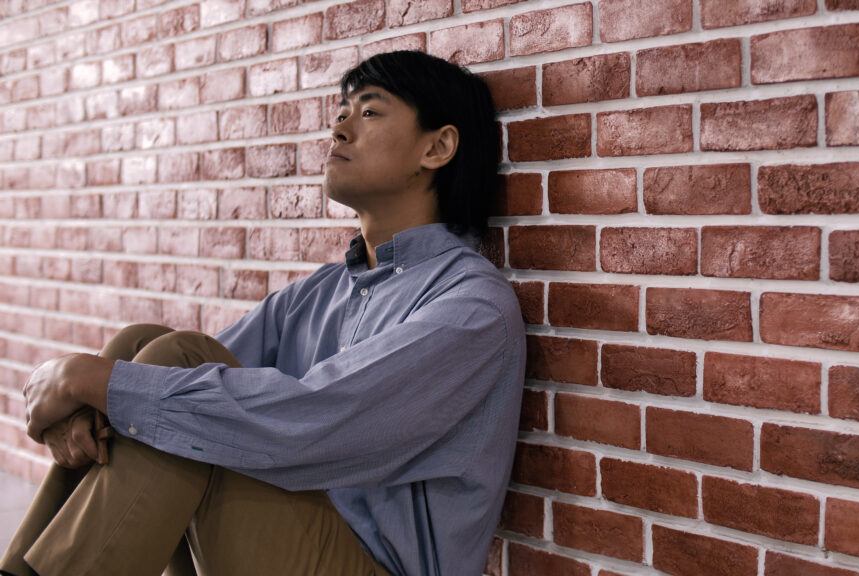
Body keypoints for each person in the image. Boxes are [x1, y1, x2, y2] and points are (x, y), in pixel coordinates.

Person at [1, 50, 526, 576]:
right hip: (286, 542)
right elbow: (177, 373)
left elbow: (317, 424)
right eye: (342, 110)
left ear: (437, 147)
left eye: (368, 112)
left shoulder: (472, 308)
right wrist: (92, 399)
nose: (339, 127)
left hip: (374, 567)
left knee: (164, 378)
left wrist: (80, 378)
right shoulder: (325, 291)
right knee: (146, 349)